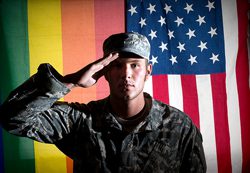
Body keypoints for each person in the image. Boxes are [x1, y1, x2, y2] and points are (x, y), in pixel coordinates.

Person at [0, 32, 206, 173]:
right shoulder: (80, 121)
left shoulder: (179, 126)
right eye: (117, 66)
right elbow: (13, 119)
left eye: (135, 65)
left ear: (148, 72)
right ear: (104, 72)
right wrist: (70, 81)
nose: (126, 74)